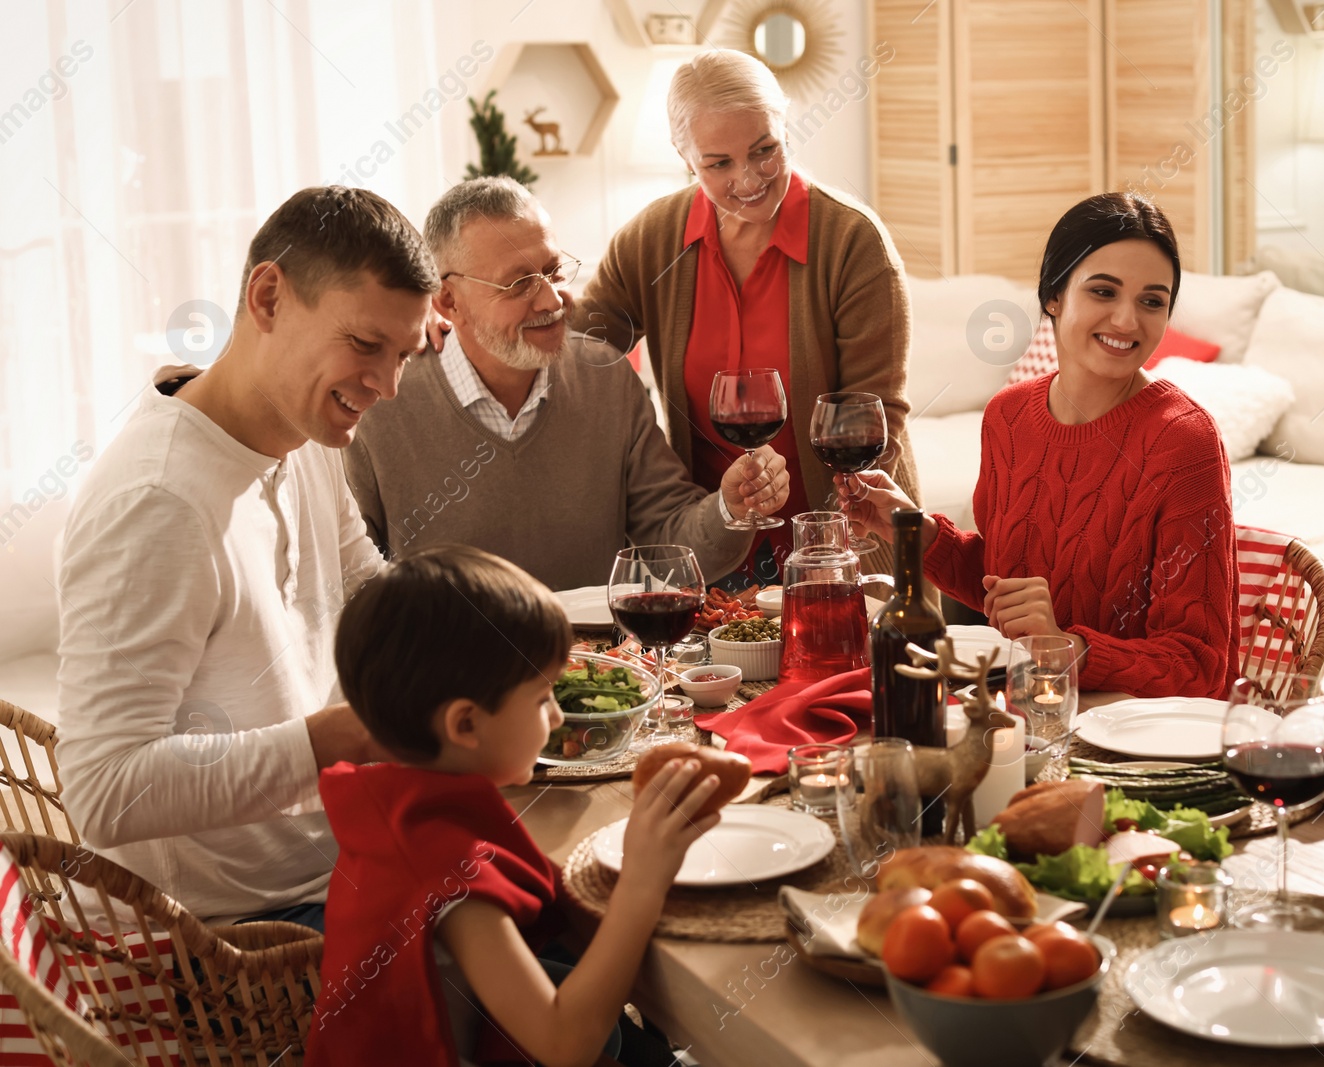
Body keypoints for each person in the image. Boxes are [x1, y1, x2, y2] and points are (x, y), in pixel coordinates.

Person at [55, 186, 435, 925]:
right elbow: (103, 791)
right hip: (231, 942)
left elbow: (368, 591)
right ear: (268, 297)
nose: (387, 387)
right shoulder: (157, 500)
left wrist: (491, 633)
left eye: (403, 356)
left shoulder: (303, 432)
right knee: (571, 994)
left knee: (584, 930)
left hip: (337, 864)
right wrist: (333, 740)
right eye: (364, 345)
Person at [306, 545, 718, 1067]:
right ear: (466, 725)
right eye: (544, 697)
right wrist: (642, 878)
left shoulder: (389, 803)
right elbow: (563, 1045)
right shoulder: (446, 871)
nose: (556, 718)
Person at [843, 192, 1240, 699]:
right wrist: (912, 531)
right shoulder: (1007, 417)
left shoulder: (1184, 442)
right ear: (1053, 295)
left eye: (1151, 301)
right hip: (1025, 708)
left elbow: (1198, 665)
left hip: (1133, 735)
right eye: (1103, 292)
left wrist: (1067, 648)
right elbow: (1004, 583)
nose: (1126, 321)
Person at [343, 176, 790, 590]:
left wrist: (730, 507)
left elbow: (668, 537)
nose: (552, 299)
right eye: (519, 284)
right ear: (448, 300)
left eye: (553, 270)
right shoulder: (378, 407)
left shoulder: (605, 377)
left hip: (598, 671)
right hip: (452, 675)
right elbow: (351, 581)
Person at [574, 49, 920, 581]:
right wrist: (459, 329)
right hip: (713, 549)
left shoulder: (852, 242)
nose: (749, 178)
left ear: (785, 128)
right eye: (719, 163)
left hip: (846, 543)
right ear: (684, 155)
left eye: (765, 150)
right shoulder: (654, 238)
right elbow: (581, 345)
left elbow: (878, 424)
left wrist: (822, 548)